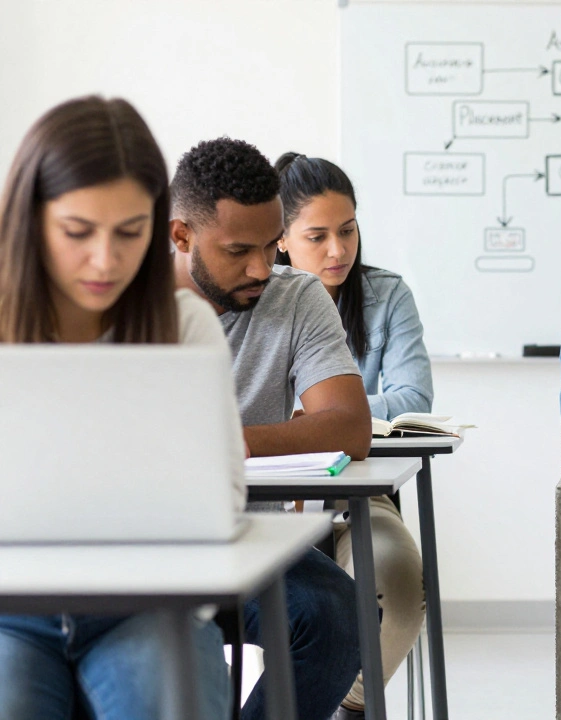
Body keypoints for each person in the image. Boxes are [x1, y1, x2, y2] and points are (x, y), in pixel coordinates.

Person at [0, 96, 234, 720]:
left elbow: (222, 496)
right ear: (30, 221)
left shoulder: (184, 326)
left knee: (166, 696)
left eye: (130, 233)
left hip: (147, 606)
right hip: (8, 613)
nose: (105, 260)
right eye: (78, 232)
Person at [170, 137, 369, 720]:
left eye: (268, 244)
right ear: (182, 237)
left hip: (250, 535)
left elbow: (350, 428)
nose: (261, 267)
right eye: (238, 251)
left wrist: (224, 445)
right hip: (147, 538)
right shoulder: (125, 303)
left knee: (342, 613)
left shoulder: (296, 295)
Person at [275, 152, 428, 720]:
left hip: (357, 494)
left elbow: (414, 401)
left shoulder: (386, 296)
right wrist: (327, 418)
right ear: (283, 239)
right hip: (267, 502)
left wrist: (315, 418)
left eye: (348, 230)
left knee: (400, 587)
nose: (337, 250)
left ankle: (353, 705)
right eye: (317, 236)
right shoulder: (254, 300)